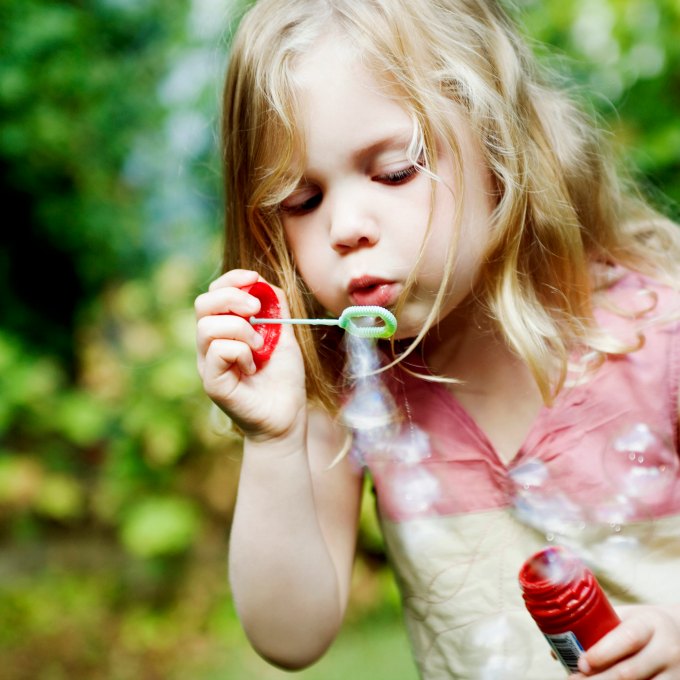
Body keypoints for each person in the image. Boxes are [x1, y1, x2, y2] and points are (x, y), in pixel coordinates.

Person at [194, 0, 680, 677]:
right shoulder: (351, 384)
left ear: (502, 149)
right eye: (302, 202)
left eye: (393, 170)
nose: (345, 227)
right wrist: (273, 439)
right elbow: (289, 636)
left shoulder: (661, 338)